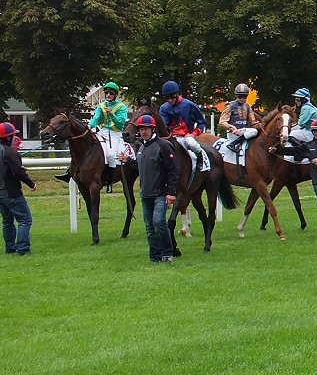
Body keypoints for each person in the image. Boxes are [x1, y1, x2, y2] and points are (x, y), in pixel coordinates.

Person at [120, 114, 178, 264]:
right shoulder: (141, 148)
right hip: (145, 193)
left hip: (161, 193)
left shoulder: (163, 146)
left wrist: (171, 193)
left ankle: (167, 253)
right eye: (141, 129)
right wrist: (128, 161)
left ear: (153, 129)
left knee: (159, 222)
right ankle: (154, 257)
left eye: (147, 129)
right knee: (149, 227)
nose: (144, 132)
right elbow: (139, 167)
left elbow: (173, 170)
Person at [55, 81, 128, 182]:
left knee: (111, 155)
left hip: (115, 134)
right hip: (102, 132)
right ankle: (70, 172)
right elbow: (96, 119)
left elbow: (120, 123)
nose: (108, 95)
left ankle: (109, 180)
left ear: (115, 95)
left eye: (111, 93)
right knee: (85, 149)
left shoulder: (121, 107)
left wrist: (111, 114)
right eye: (106, 93)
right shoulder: (101, 106)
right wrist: (89, 125)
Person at [1, 120, 36, 256]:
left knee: (7, 221)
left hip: (1, 195)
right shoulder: (10, 152)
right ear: (9, 137)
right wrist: (31, 184)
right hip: (12, 193)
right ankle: (23, 249)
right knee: (25, 219)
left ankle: (10, 248)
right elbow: (19, 172)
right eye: (13, 135)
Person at [159, 80, 209, 171]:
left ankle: (200, 157)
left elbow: (201, 122)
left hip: (187, 136)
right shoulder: (163, 108)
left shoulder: (189, 105)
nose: (170, 100)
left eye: (172, 97)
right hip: (172, 137)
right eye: (167, 98)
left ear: (178, 94)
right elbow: (164, 125)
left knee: (191, 143)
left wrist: (193, 134)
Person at [220, 83, 260, 154]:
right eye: (240, 96)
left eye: (244, 96)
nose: (242, 99)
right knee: (254, 131)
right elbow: (222, 122)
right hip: (233, 133)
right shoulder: (229, 106)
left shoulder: (248, 106)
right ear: (236, 95)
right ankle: (233, 144)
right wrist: (232, 128)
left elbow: (252, 122)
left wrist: (258, 124)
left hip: (244, 133)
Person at [283, 87, 317, 155]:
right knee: (293, 130)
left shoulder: (305, 108)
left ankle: (300, 151)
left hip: (310, 133)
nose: (296, 101)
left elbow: (301, 123)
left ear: (304, 100)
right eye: (295, 99)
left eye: (298, 99)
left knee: (288, 135)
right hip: (313, 130)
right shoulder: (311, 107)